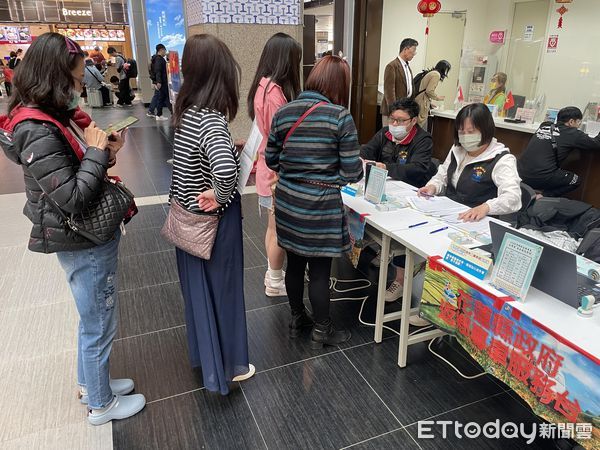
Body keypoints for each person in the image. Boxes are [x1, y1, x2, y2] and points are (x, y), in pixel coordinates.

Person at [0, 32, 145, 425]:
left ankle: (92, 383)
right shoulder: (36, 129)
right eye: (77, 80)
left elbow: (78, 175)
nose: (80, 88)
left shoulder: (49, 119)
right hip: (81, 237)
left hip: (79, 235)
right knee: (99, 320)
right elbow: (74, 197)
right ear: (54, 78)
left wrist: (104, 152)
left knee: (92, 315)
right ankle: (101, 405)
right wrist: (97, 151)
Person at [170, 34, 254, 394]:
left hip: (187, 223)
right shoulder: (212, 120)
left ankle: (209, 361)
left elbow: (202, 161)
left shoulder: (187, 113)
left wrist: (225, 154)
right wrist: (220, 195)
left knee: (200, 293)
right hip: (214, 225)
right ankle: (229, 366)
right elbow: (223, 172)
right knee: (225, 292)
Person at [266, 55, 364, 348]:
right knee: (320, 270)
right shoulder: (339, 116)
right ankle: (323, 328)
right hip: (320, 205)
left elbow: (271, 159)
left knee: (294, 263)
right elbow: (352, 172)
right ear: (338, 84)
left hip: (288, 200)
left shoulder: (284, 112)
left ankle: (298, 318)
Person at [248, 32, 302, 298]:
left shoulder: (263, 86)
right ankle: (275, 281)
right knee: (278, 230)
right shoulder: (275, 94)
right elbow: (281, 137)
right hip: (276, 171)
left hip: (269, 167)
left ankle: (273, 275)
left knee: (272, 228)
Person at [418, 103, 522, 222]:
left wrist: (487, 207)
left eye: (471, 132)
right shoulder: (457, 149)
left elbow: (513, 197)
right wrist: (433, 187)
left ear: (485, 130)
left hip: (477, 220)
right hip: (448, 213)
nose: (465, 137)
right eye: (461, 132)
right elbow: (442, 176)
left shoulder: (501, 159)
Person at [518, 106, 600, 197]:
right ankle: (543, 195)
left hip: (519, 173)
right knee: (576, 180)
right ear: (571, 122)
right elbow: (597, 144)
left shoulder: (544, 125)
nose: (579, 126)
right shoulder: (573, 134)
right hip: (540, 177)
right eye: (578, 123)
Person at [361, 97, 434, 188]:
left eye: (400, 120)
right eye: (392, 119)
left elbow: (417, 168)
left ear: (414, 121)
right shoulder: (385, 132)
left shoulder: (423, 140)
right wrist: (360, 158)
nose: (394, 124)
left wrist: (385, 168)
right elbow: (368, 150)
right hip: (384, 183)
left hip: (409, 186)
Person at [381, 38, 418, 126]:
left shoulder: (407, 67)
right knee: (389, 137)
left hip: (404, 111)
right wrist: (394, 112)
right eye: (413, 51)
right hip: (393, 112)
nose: (414, 54)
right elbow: (389, 92)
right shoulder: (392, 66)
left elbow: (410, 89)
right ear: (405, 49)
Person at [414, 60, 451, 128]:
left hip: (418, 100)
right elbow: (429, 91)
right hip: (421, 103)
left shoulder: (431, 72)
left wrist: (430, 104)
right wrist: (437, 98)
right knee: (420, 128)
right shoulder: (436, 75)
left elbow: (424, 89)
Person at [147, 44, 172, 121]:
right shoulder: (159, 59)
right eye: (165, 50)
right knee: (162, 98)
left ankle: (162, 114)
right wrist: (159, 82)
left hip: (162, 82)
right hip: (162, 82)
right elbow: (158, 71)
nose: (165, 52)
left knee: (164, 98)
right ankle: (159, 114)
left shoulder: (156, 59)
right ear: (161, 50)